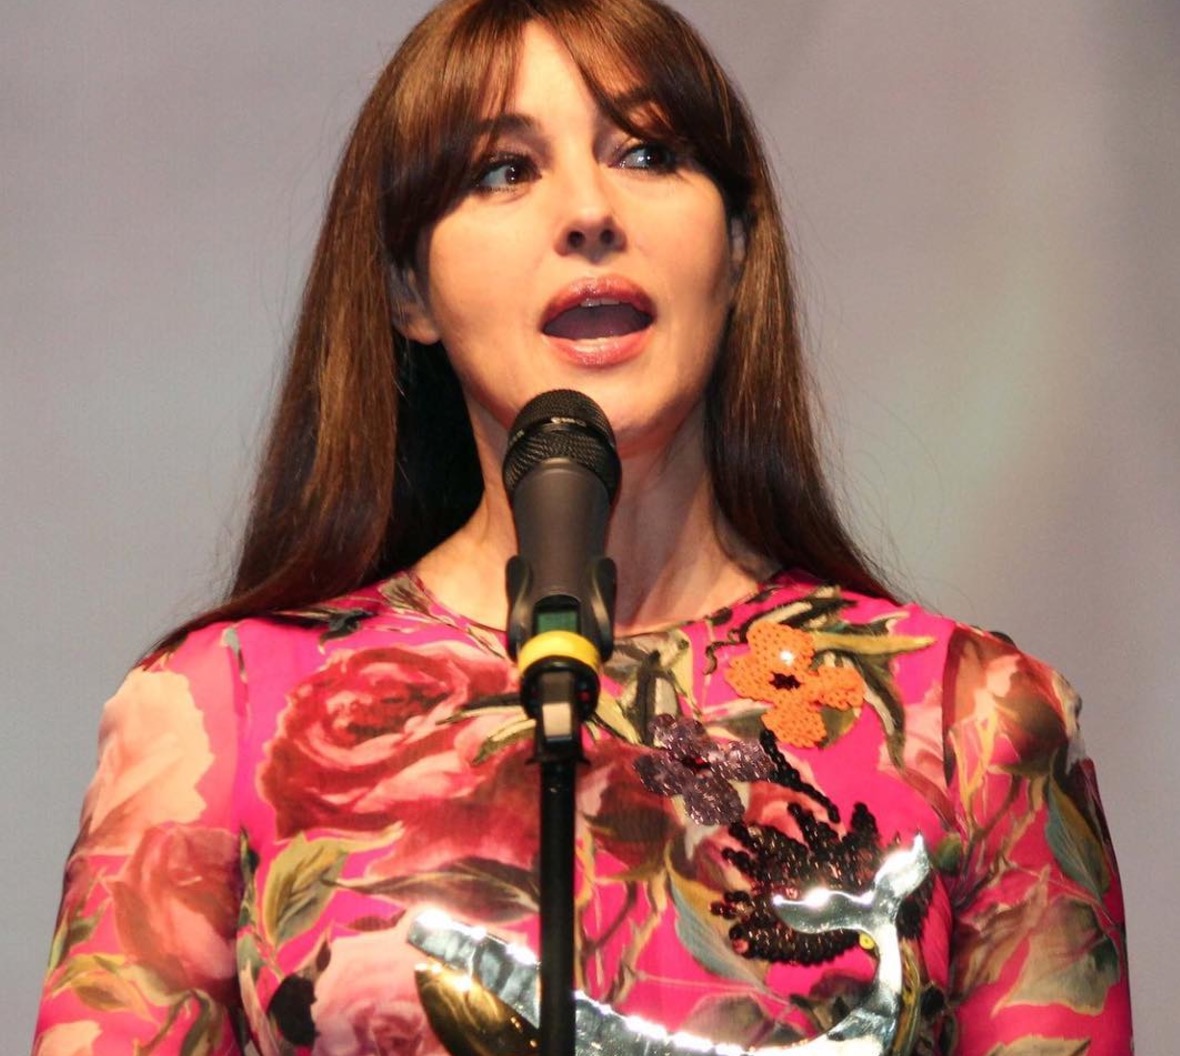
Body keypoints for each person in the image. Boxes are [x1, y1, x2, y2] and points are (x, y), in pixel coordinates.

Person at [32, 0, 1132, 1053]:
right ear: (408, 290)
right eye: (503, 170)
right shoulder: (218, 722)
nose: (590, 213)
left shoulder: (974, 725)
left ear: (737, 248)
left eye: (647, 153)